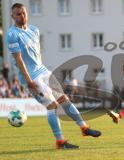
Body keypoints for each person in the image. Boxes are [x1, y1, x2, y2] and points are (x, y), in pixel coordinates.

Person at [6, 3, 101, 149]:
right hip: (31, 77)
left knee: (64, 100)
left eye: (23, 13)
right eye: (18, 14)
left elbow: (35, 54)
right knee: (52, 106)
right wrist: (28, 80)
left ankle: (84, 128)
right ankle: (60, 142)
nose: (22, 16)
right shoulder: (12, 35)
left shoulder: (34, 30)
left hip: (43, 71)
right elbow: (19, 60)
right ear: (12, 16)